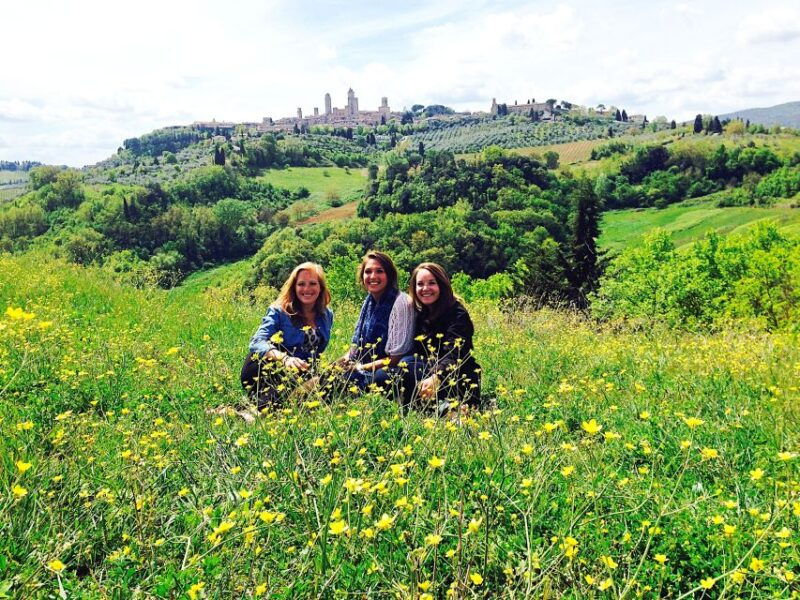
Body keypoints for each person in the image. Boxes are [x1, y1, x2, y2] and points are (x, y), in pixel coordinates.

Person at [241, 262, 333, 411]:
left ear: (320, 287)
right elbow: (256, 342)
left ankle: (252, 407)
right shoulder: (279, 311)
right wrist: (284, 359)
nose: (307, 289)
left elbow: (317, 351)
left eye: (313, 283)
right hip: (267, 369)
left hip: (301, 371)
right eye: (301, 284)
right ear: (294, 287)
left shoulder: (326, 315)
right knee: (274, 406)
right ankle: (246, 410)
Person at [399, 262, 481, 415]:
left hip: (457, 376)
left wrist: (437, 377)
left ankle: (456, 409)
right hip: (428, 373)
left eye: (432, 283)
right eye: (420, 284)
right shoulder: (420, 313)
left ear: (442, 285)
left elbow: (456, 352)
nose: (425, 289)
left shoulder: (457, 314)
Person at [336, 251, 414, 391]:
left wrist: (359, 368)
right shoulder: (369, 302)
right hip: (365, 366)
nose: (373, 276)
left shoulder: (401, 303)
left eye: (379, 271)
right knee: (328, 374)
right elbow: (356, 346)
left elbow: (395, 359)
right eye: (368, 271)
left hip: (388, 372)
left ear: (389, 275)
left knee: (334, 385)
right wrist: (343, 361)